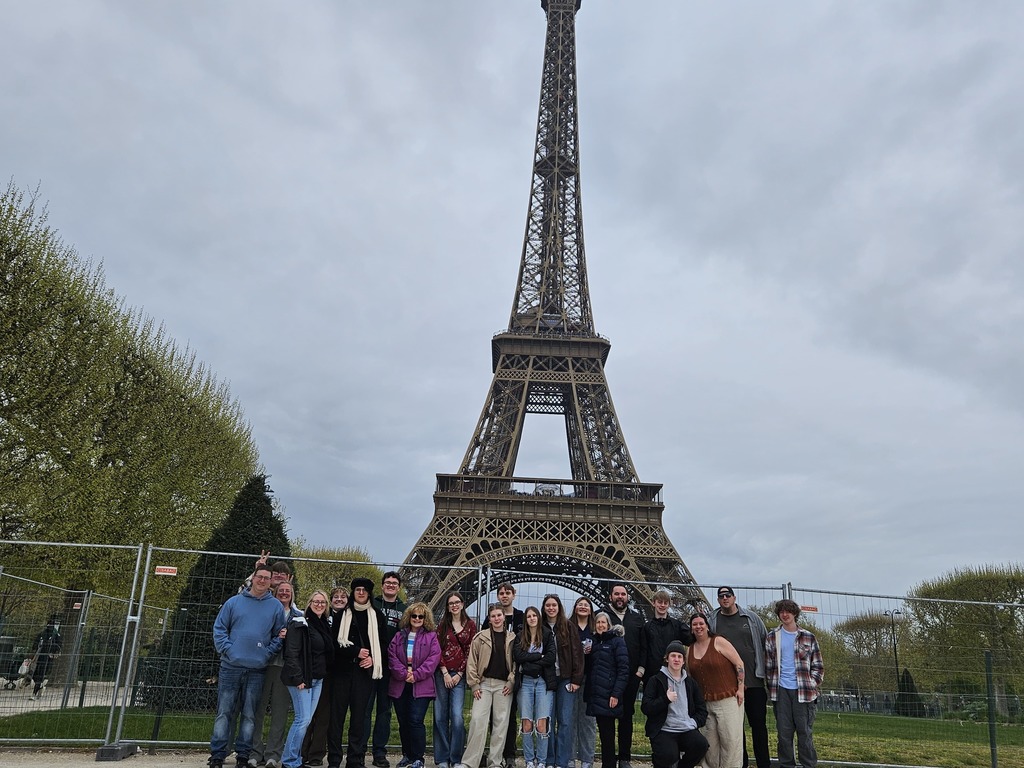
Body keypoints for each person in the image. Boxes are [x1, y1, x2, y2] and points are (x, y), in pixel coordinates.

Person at [210, 563, 288, 768]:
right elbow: (219, 628)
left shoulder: (275, 607)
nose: (262, 580)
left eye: (266, 578)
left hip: (257, 668)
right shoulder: (234, 602)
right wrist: (228, 649)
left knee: (249, 714)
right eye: (259, 576)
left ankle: (243, 756)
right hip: (230, 666)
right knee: (224, 712)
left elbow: (279, 635)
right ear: (252, 578)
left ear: (271, 581)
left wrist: (266, 654)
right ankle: (217, 754)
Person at [328, 577, 388, 768]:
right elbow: (334, 644)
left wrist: (373, 660)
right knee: (336, 718)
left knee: (359, 718)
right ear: (353, 592)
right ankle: (334, 759)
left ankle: (355, 759)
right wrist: (355, 652)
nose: (361, 593)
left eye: (364, 590)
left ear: (369, 593)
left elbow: (384, 644)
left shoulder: (377, 615)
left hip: (364, 673)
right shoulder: (340, 616)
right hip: (342, 671)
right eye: (357, 590)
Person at [707, 587, 769, 768]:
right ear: (718, 600)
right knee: (735, 731)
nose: (725, 598)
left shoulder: (751, 618)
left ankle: (763, 764)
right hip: (728, 685)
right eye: (721, 596)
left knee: (759, 727)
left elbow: (765, 641)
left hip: (754, 681)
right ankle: (740, 764)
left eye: (728, 595)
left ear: (734, 597)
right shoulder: (712, 620)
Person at [764, 600, 823, 768]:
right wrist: (772, 686)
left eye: (788, 611)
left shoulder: (808, 636)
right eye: (781, 611)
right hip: (781, 691)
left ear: (795, 613)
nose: (784, 614)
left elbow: (818, 665)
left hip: (803, 691)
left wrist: (812, 683)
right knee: (784, 734)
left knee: (805, 733)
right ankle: (786, 765)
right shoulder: (771, 636)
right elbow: (768, 666)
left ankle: (808, 764)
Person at [252, 581, 304, 768]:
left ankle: (273, 753)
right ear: (275, 593)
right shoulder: (266, 612)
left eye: (287, 591)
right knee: (257, 710)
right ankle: (255, 751)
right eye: (280, 590)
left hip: (285, 668)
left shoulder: (299, 617)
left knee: (280, 712)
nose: (284, 593)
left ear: (292, 594)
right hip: (263, 665)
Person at [457, 603, 516, 768]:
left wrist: (511, 681)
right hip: (483, 684)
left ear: (504, 617)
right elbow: (471, 662)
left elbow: (517, 664)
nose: (496, 618)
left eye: (499, 615)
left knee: (501, 724)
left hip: (503, 685)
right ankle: (470, 762)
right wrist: (474, 684)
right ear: (489, 619)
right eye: (493, 616)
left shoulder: (512, 638)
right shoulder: (480, 637)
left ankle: (495, 762)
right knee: (477, 721)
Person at [282, 591, 334, 768]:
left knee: (305, 720)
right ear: (309, 602)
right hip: (302, 679)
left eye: (323, 602)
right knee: (302, 720)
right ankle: (290, 761)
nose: (319, 605)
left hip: (317, 679)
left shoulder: (324, 625)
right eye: (316, 601)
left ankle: (292, 758)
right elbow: (291, 653)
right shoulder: (300, 624)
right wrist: (298, 678)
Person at [686, 614, 744, 768]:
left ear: (707, 626)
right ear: (691, 628)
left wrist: (740, 689)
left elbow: (739, 663)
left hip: (727, 699)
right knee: (709, 744)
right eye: (694, 624)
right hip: (705, 703)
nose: (698, 627)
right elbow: (690, 678)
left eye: (701, 623)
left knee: (730, 741)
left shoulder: (719, 641)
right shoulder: (689, 650)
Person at [388, 603, 442, 768]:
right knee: (403, 721)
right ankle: (407, 756)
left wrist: (416, 675)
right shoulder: (399, 636)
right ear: (409, 617)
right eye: (414, 616)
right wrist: (404, 674)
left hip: (422, 684)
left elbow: (434, 659)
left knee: (416, 720)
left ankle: (418, 758)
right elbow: (391, 656)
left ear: (425, 619)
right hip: (401, 683)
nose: (417, 619)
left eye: (421, 616)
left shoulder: (431, 636)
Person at [641, 641, 708, 768]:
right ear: (667, 659)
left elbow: (702, 710)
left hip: (686, 728)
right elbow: (646, 707)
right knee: (669, 755)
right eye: (673, 656)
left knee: (701, 745)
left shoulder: (691, 683)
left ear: (683, 661)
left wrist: (693, 723)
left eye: (679, 656)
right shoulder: (655, 680)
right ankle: (658, 762)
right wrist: (665, 699)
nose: (676, 659)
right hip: (664, 729)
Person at [304, 587, 352, 766]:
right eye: (335, 597)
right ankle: (303, 752)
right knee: (308, 715)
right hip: (315, 671)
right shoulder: (319, 620)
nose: (339, 599)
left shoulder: (349, 619)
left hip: (334, 673)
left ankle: (315, 754)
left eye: (343, 597)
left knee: (324, 714)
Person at [367, 572, 408, 768]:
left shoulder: (405, 610)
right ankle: (357, 751)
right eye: (387, 583)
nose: (391, 585)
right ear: (382, 586)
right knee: (364, 710)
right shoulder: (371, 605)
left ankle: (379, 752)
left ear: (399, 587)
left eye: (394, 583)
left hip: (390, 668)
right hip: (368, 666)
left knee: (384, 711)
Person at [434, 592, 478, 768]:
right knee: (439, 717)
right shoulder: (442, 625)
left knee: (457, 717)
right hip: (441, 674)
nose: (454, 605)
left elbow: (471, 651)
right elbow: (437, 649)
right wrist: (444, 672)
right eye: (451, 603)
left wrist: (459, 674)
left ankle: (456, 757)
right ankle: (442, 758)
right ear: (447, 606)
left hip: (459, 676)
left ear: (462, 604)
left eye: (457, 602)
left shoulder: (471, 625)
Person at [542, 594, 585, 768]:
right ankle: (550, 759)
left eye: (554, 605)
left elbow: (577, 654)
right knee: (549, 720)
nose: (551, 608)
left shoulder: (569, 626)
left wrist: (576, 679)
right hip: (546, 679)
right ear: (544, 608)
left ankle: (562, 761)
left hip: (566, 679)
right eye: (548, 605)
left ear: (559, 607)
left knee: (566, 721)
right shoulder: (540, 627)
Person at [604, 584, 643, 768]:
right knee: (608, 719)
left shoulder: (637, 618)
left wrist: (640, 672)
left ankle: (625, 758)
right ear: (610, 596)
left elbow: (644, 645)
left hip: (631, 676)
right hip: (608, 676)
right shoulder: (602, 616)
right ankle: (609, 760)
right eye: (617, 594)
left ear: (628, 596)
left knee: (627, 717)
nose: (620, 597)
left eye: (623, 594)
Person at [513, 606, 556, 768]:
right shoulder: (520, 636)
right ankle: (530, 759)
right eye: (528, 616)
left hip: (543, 682)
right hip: (526, 682)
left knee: (541, 723)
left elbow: (551, 658)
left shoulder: (547, 634)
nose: (531, 618)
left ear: (538, 617)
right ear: (526, 619)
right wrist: (539, 656)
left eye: (534, 615)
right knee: (527, 723)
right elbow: (518, 656)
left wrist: (530, 661)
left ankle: (542, 760)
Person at [585, 613, 628, 768]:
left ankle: (609, 765)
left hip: (609, 695)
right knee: (604, 735)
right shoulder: (595, 643)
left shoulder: (617, 642)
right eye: (598, 622)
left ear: (609, 624)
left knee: (608, 736)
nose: (600, 625)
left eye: (603, 622)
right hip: (598, 695)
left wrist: (616, 694)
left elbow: (623, 669)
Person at [637, 590, 694, 685]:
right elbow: (643, 650)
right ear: (653, 603)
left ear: (669, 605)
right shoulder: (647, 627)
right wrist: (641, 669)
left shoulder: (677, 625)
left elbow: (692, 639)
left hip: (673, 674)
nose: (662, 605)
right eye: (659, 602)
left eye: (665, 603)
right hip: (652, 674)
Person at [497, 583, 525, 768]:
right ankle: (496, 753)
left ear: (514, 595)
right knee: (495, 717)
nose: (505, 595)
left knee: (511, 714)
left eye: (508, 593)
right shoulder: (493, 616)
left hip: (515, 673)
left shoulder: (521, 616)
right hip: (496, 673)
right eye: (501, 593)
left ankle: (509, 754)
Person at [570, 598, 596, 768]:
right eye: (580, 604)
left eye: (586, 604)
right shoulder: (568, 627)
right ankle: (569, 758)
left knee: (588, 721)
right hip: (571, 678)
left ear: (590, 609)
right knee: (569, 719)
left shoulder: (595, 629)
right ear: (575, 607)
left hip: (590, 679)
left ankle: (587, 760)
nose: (583, 606)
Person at [30, 616, 63, 700]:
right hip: (39, 656)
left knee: (40, 674)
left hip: (47, 657)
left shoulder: (56, 635)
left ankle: (35, 692)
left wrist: (53, 651)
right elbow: (36, 643)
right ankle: (39, 686)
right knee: (34, 674)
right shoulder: (43, 633)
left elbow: (58, 646)